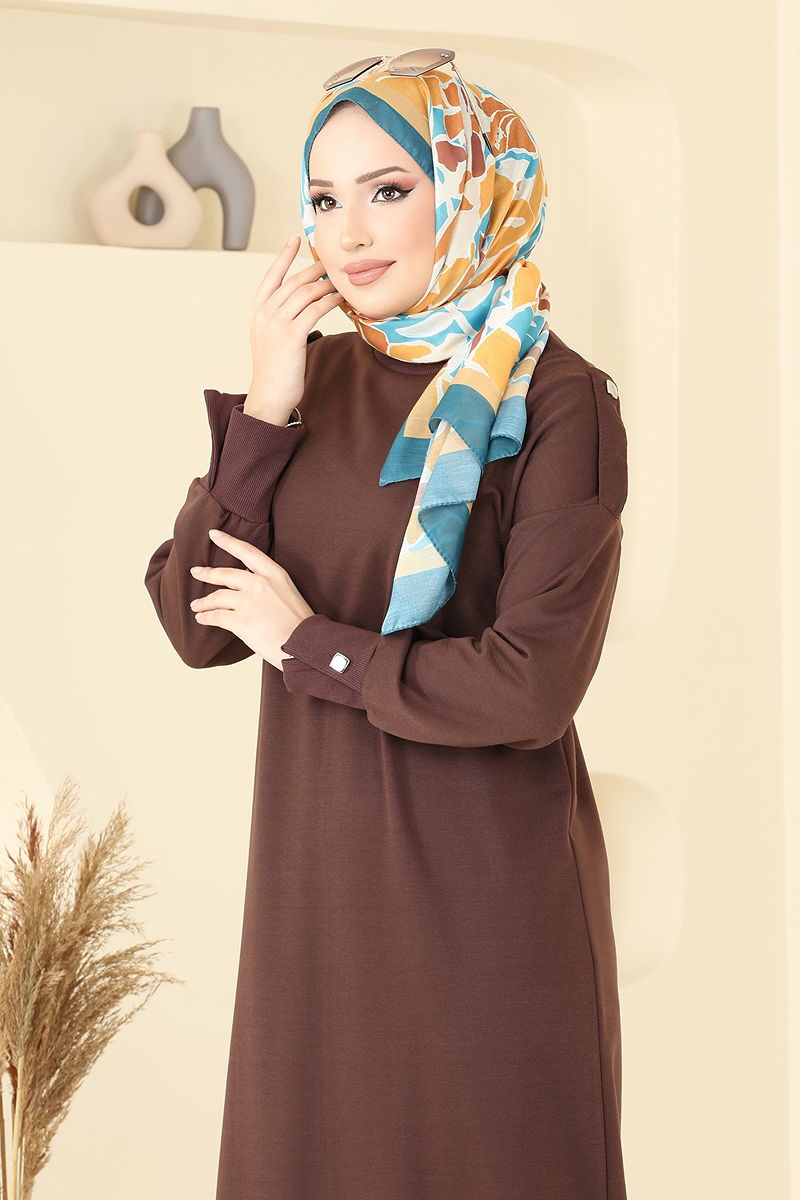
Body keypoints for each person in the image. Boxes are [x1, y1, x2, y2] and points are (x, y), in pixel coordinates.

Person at [144, 48, 629, 1200]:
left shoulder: (558, 400)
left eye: (389, 189)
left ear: (469, 192)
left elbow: (528, 683)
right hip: (316, 901)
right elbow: (195, 623)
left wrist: (310, 642)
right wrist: (266, 400)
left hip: (482, 912)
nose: (348, 232)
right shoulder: (304, 386)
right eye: (322, 199)